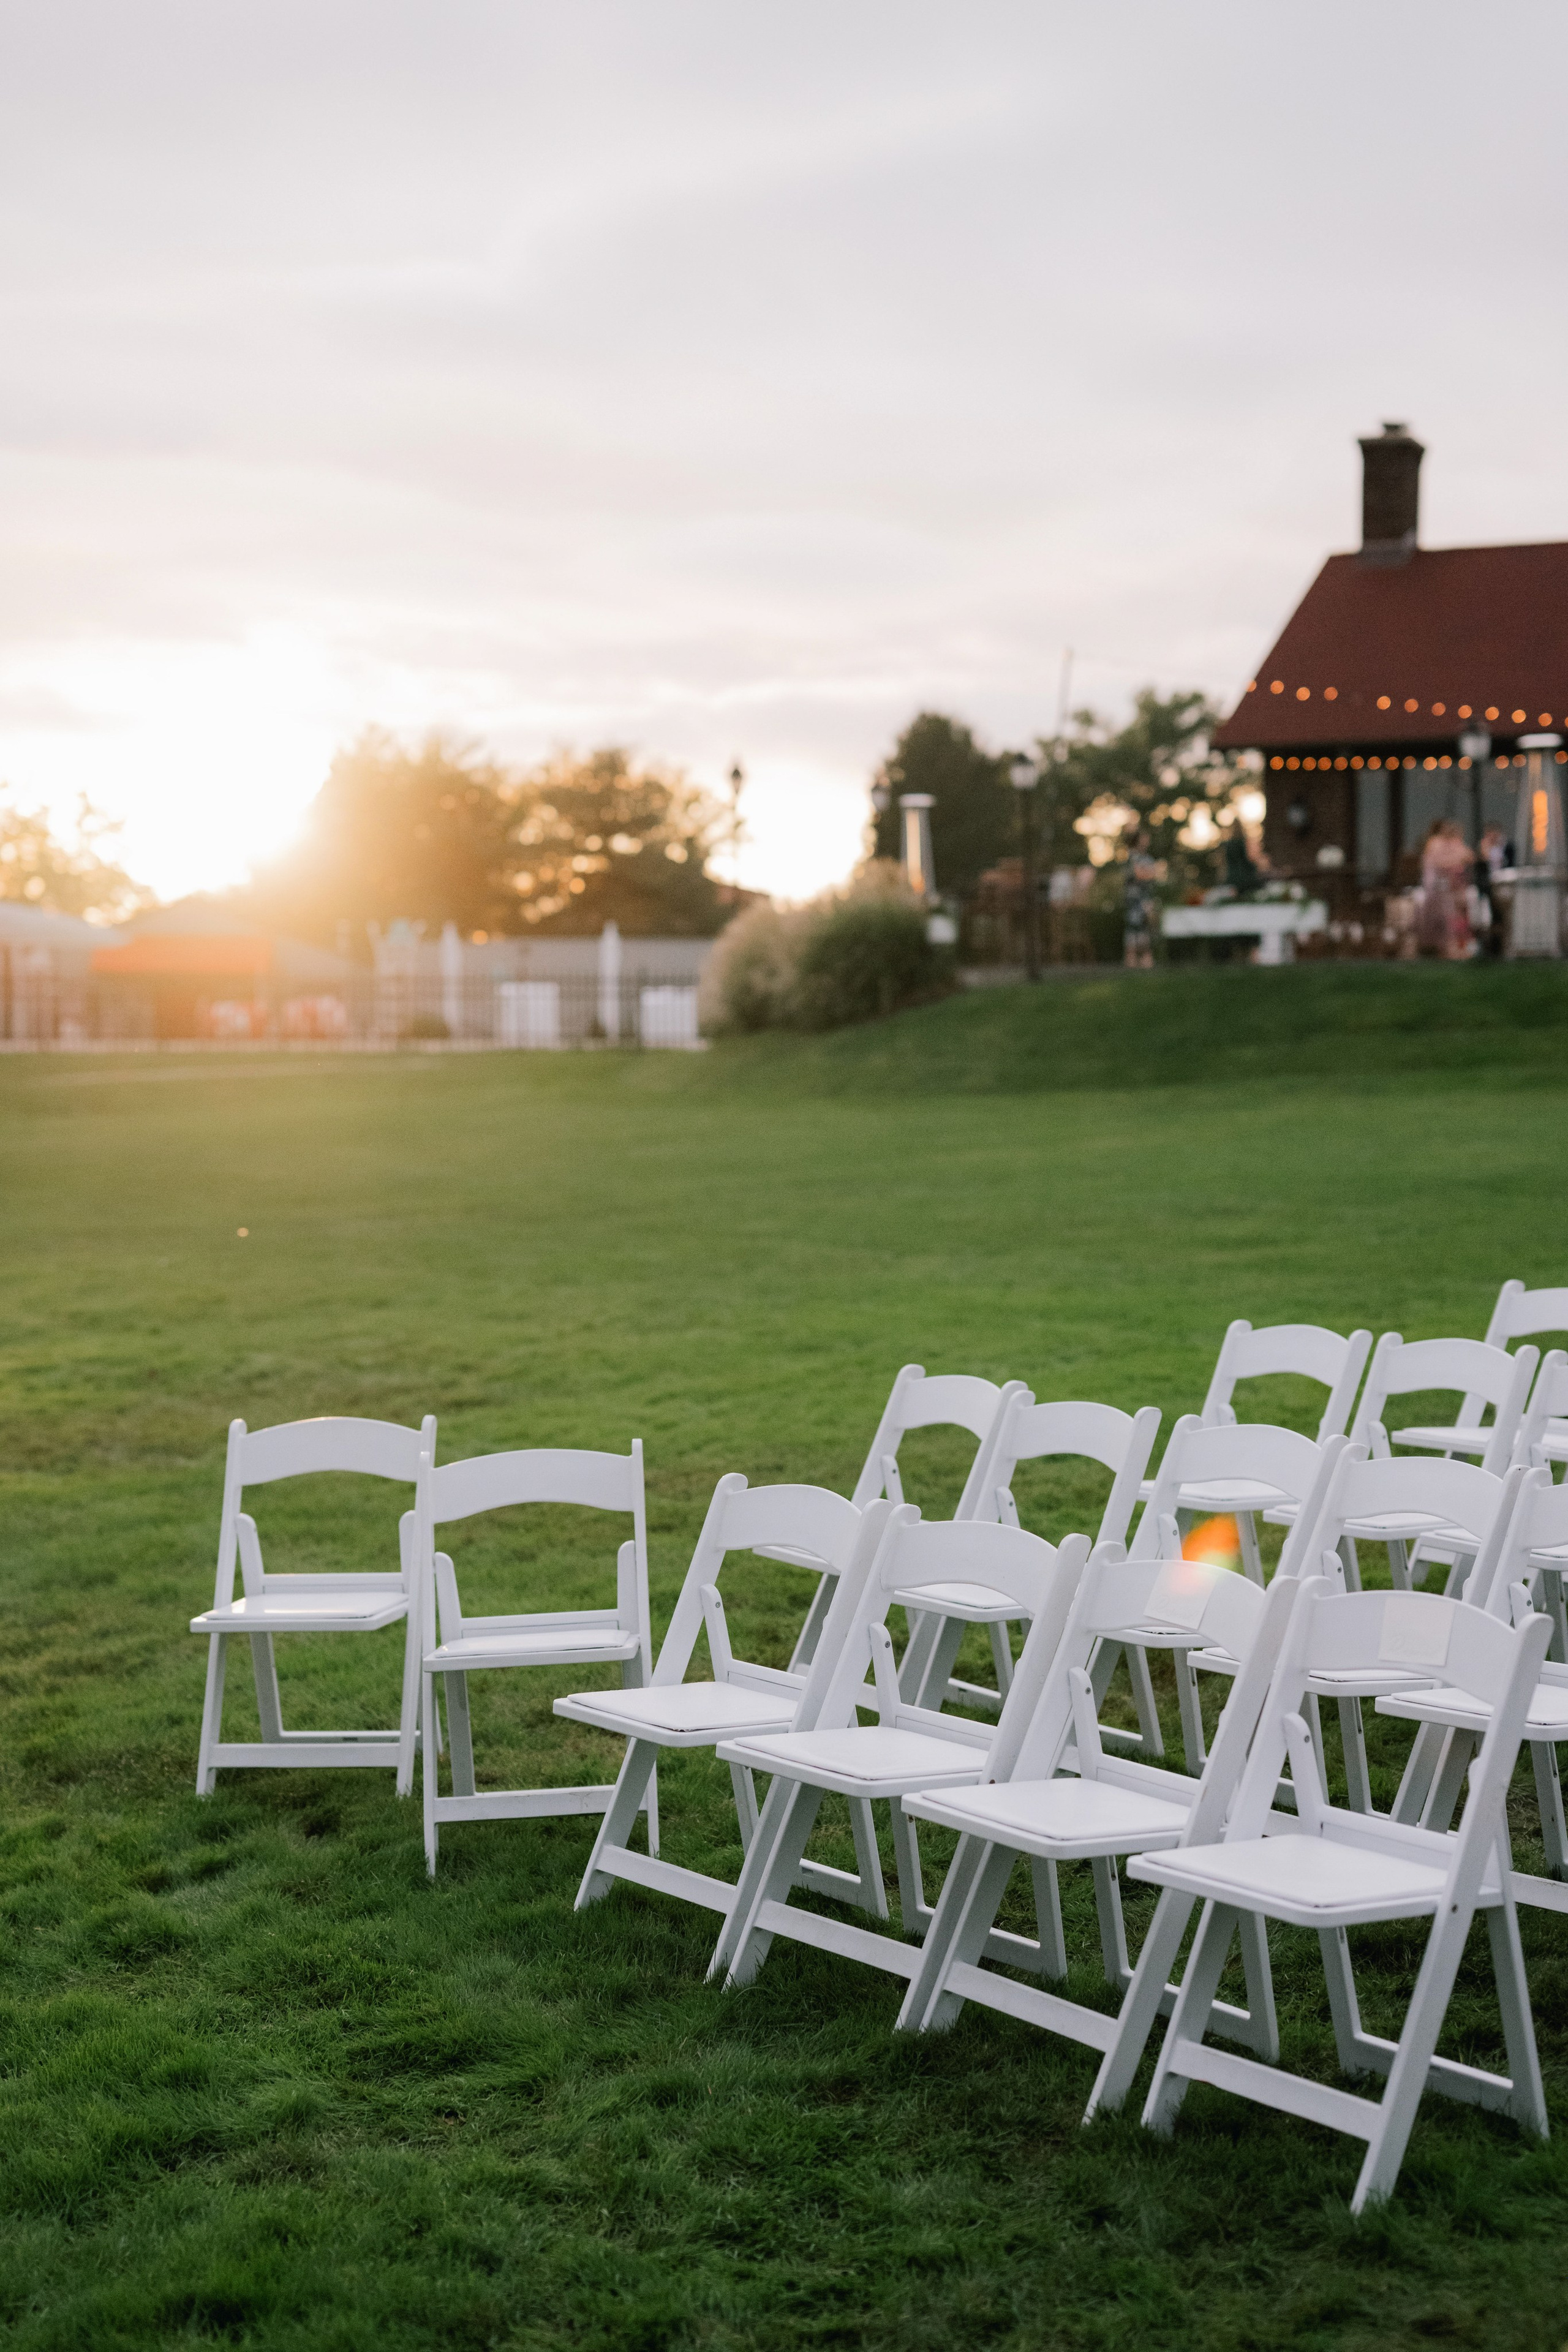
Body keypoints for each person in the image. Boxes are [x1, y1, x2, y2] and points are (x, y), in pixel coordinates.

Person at [1417, 819, 1471, 958]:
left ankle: (1453, 947)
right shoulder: (1435, 843)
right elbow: (1440, 863)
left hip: (1448, 889)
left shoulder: (1452, 844)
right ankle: (1440, 948)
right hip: (1436, 888)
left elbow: (1468, 856)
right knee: (1441, 918)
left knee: (1453, 917)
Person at [1123, 829, 1163, 968]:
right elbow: (1139, 874)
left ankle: (1146, 958)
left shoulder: (1147, 858)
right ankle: (1131, 959)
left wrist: (1151, 873)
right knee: (1134, 927)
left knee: (1146, 927)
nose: (1147, 841)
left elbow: (1154, 874)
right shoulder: (1132, 857)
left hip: (1147, 897)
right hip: (1134, 898)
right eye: (1144, 838)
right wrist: (1151, 873)